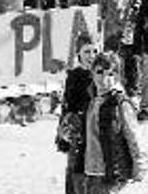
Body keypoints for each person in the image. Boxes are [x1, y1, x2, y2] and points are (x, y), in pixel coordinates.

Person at [82, 52, 146, 194]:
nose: (105, 78)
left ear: (117, 76)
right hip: (90, 170)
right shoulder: (90, 102)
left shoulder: (120, 104)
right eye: (100, 72)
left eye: (110, 74)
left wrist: (139, 164)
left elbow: (134, 135)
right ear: (92, 74)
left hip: (112, 170)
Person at [57, 35, 98, 194]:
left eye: (95, 51)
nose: (92, 56)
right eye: (87, 52)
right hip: (79, 131)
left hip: (96, 130)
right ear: (78, 54)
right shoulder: (74, 76)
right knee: (76, 172)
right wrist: (62, 136)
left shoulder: (101, 74)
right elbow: (67, 107)